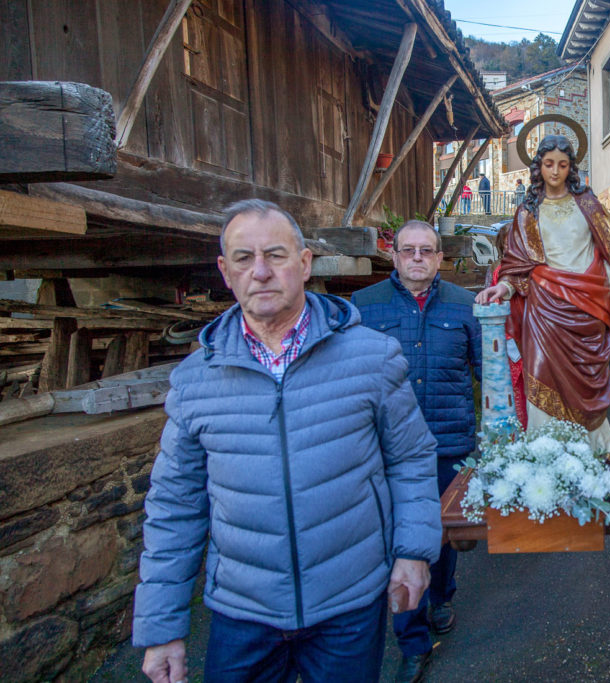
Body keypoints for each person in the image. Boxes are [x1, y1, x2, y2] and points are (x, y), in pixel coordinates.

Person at [133, 200, 440, 683]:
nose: (260, 272)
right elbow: (174, 507)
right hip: (243, 612)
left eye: (275, 255)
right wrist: (162, 627)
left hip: (348, 605)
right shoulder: (196, 380)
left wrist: (413, 551)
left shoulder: (371, 358)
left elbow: (411, 458)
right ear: (225, 271)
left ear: (304, 263)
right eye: (243, 258)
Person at [351, 220, 482, 683]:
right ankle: (412, 640)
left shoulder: (466, 306)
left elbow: (490, 375)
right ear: (395, 256)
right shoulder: (364, 307)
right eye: (409, 251)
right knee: (400, 542)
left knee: (444, 535)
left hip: (450, 442)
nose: (418, 259)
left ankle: (443, 595)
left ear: (440, 258)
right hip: (389, 449)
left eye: (427, 251)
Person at [475, 134, 610, 455]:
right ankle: (546, 459)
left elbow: (607, 256)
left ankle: (595, 454)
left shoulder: (588, 205)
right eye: (549, 164)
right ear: (539, 166)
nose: (555, 172)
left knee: (586, 386)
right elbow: (519, 264)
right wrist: (504, 287)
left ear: (570, 168)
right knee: (542, 382)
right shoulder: (528, 212)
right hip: (544, 312)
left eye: (562, 165)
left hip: (588, 309)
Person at [490, 222, 528, 425]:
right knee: (512, 388)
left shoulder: (532, 268)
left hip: (530, 333)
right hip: (510, 333)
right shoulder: (500, 270)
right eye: (507, 243)